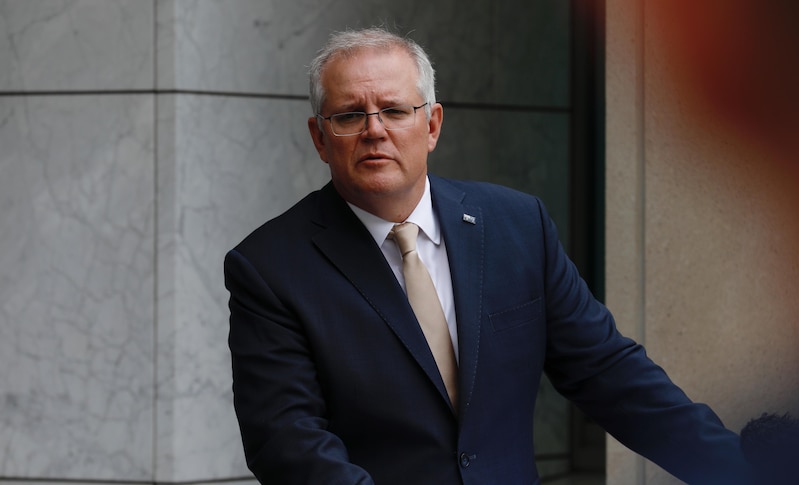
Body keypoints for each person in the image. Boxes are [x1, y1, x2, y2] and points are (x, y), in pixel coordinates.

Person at [225, 27, 749, 484]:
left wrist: (745, 470)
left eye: (394, 109)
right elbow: (289, 444)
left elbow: (610, 375)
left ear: (431, 125)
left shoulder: (516, 226)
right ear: (320, 137)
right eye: (349, 116)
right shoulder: (271, 269)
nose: (375, 130)